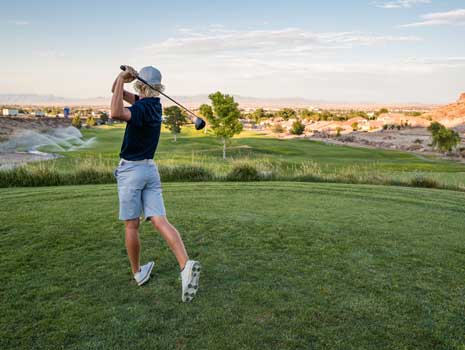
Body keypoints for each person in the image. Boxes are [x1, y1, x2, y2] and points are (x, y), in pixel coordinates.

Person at [110, 65, 201, 302]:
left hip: (131, 171)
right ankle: (185, 265)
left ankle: (138, 272)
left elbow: (115, 112)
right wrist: (123, 79)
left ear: (140, 85)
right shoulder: (154, 106)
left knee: (131, 226)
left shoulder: (140, 108)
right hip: (150, 170)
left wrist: (122, 78)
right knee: (160, 220)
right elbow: (115, 91)